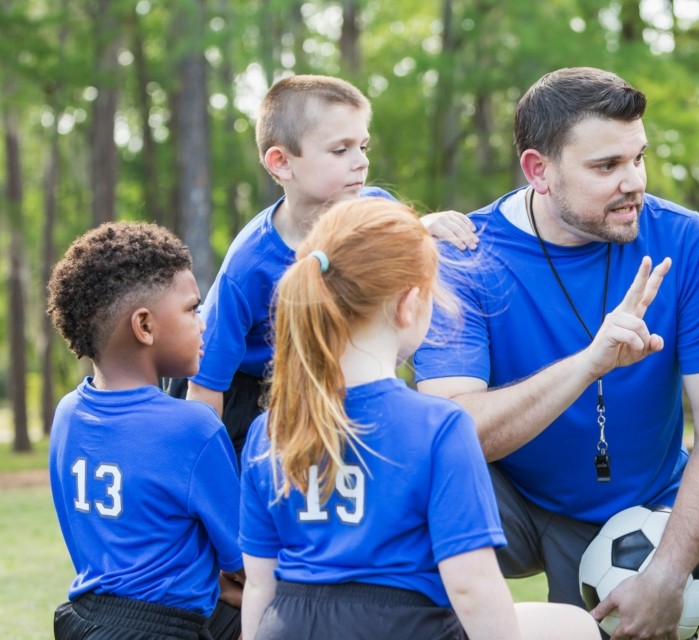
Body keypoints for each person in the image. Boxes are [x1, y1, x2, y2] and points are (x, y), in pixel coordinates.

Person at [414, 67, 699, 639]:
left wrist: (669, 572)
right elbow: (457, 428)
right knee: (407, 496)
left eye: (638, 158)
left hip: (633, 511)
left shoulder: (686, 242)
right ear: (538, 171)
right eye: (606, 166)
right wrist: (589, 364)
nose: (633, 181)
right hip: (506, 497)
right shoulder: (465, 255)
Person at [237, 198, 596, 640]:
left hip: (290, 626)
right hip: (400, 626)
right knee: (575, 624)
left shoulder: (269, 429)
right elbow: (471, 586)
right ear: (409, 304)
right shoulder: (438, 427)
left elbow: (260, 584)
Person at [179, 73, 475, 460]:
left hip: (336, 379)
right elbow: (204, 387)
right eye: (340, 150)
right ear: (282, 163)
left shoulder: (376, 207)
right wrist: (204, 477)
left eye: (363, 146)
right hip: (249, 396)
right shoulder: (249, 264)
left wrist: (422, 226)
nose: (361, 162)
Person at [46, 222, 243, 640]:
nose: (203, 324)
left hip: (83, 620)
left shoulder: (67, 414)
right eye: (192, 310)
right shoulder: (192, 427)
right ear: (145, 327)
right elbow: (244, 560)